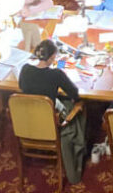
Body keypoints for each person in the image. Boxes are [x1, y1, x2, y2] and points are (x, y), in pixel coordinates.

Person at [19, 39, 87, 183]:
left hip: (27, 119)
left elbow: (21, 87)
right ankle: (78, 148)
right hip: (49, 121)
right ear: (51, 58)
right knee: (79, 107)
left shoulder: (25, 69)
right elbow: (74, 94)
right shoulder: (56, 74)